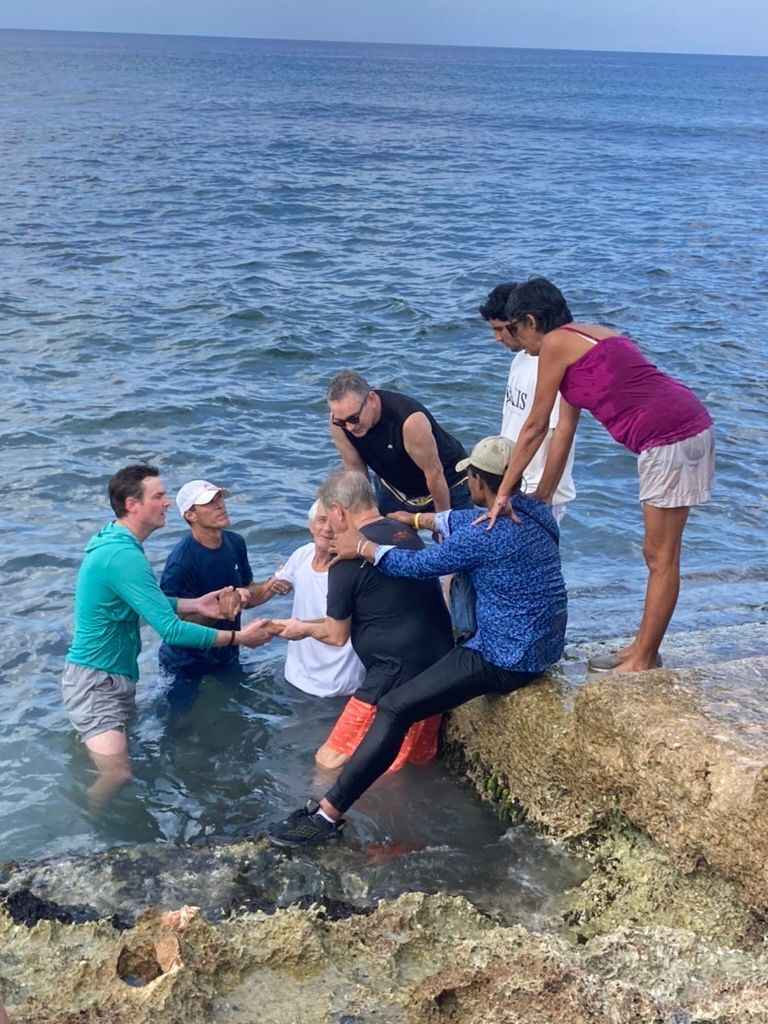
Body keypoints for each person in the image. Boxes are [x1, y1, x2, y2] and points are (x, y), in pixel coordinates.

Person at [265, 437, 567, 847]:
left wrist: (364, 547)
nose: (468, 487)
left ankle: (327, 815)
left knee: (394, 707)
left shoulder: (485, 536)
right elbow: (461, 524)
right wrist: (414, 520)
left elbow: (418, 565)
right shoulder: (535, 512)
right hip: (544, 644)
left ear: (479, 481)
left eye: (470, 479)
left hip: (505, 657)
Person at [483, 276, 714, 674]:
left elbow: (536, 425)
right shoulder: (584, 338)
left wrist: (502, 492)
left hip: (671, 436)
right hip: (678, 427)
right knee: (656, 554)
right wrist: (541, 495)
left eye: (516, 328)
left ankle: (644, 658)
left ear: (533, 321)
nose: (516, 339)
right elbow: (563, 427)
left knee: (661, 557)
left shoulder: (555, 345)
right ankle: (642, 648)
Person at [62, 464, 272, 806]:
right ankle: (76, 833)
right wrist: (239, 638)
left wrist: (195, 604)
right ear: (133, 504)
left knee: (123, 759)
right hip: (95, 681)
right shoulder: (124, 555)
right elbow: (170, 630)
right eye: (158, 496)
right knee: (117, 774)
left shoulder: (115, 540)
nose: (166, 504)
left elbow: (144, 599)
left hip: (113, 677)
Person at [267, 470, 454, 772]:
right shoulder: (403, 533)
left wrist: (300, 628)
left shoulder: (346, 553)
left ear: (339, 511)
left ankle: (325, 817)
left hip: (396, 670)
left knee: (328, 760)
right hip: (439, 660)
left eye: (329, 516)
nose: (329, 527)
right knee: (411, 758)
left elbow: (335, 634)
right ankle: (409, 809)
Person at [158, 479, 291, 700]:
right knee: (176, 725)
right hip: (184, 663)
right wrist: (221, 608)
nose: (220, 505)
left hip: (228, 654)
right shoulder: (181, 561)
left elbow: (247, 592)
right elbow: (174, 628)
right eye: (209, 502)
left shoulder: (235, 543)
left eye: (219, 498)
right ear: (190, 515)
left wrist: (272, 585)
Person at [479, 282, 577, 523]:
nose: (497, 338)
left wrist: (544, 495)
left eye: (502, 329)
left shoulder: (552, 365)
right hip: (512, 484)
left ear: (522, 323)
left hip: (536, 488)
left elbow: (561, 432)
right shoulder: (522, 359)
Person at [327, 370, 473, 515]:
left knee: (450, 536)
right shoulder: (339, 424)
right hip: (395, 488)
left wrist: (442, 521)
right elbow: (356, 472)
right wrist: (364, 518)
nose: (350, 427)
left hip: (448, 483)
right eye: (341, 421)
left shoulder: (409, 421)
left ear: (371, 399)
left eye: (354, 418)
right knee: (376, 533)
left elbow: (434, 474)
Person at [273, 499, 364, 699]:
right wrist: (242, 596)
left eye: (334, 523)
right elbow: (271, 586)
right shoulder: (302, 555)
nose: (327, 528)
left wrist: (296, 626)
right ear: (311, 525)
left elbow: (346, 625)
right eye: (321, 520)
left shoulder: (354, 570)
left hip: (337, 688)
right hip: (294, 679)